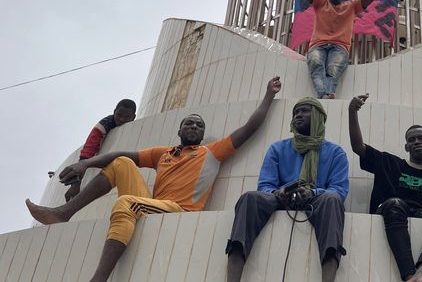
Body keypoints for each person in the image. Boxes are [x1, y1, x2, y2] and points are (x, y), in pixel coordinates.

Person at [25, 77, 283, 282]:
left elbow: (250, 128)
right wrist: (85, 163)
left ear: (203, 134)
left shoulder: (211, 153)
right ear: (179, 130)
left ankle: (99, 279)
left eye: (199, 126)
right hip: (154, 205)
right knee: (122, 164)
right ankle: (64, 212)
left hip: (179, 210)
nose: (194, 127)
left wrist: (269, 96)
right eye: (190, 124)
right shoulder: (164, 153)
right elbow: (121, 154)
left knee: (126, 203)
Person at [226, 97, 349, 282]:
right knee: (249, 197)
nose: (298, 115)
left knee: (332, 199)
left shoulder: (335, 152)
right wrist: (278, 192)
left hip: (316, 200)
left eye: (304, 111)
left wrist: (312, 193)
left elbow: (339, 190)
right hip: (280, 199)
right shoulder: (277, 148)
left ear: (317, 117)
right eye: (295, 112)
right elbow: (265, 184)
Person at [349, 93, 422, 282]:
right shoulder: (389, 162)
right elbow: (358, 147)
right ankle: (410, 274)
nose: (417, 141)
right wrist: (352, 111)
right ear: (406, 147)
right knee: (394, 203)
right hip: (393, 212)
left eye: (421, 138)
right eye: (412, 140)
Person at [294, 0, 380, 99]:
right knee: (315, 63)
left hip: (340, 47)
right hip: (318, 45)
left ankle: (326, 95)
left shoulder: (352, 6)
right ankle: (326, 95)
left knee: (332, 70)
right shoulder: (320, 2)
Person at [64, 99, 137, 202]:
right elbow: (88, 150)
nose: (121, 119)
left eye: (126, 117)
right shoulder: (104, 124)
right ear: (114, 111)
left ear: (133, 117)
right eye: (119, 115)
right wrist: (76, 184)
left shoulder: (136, 129)